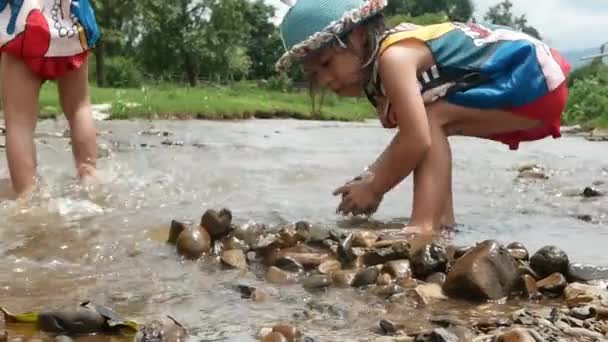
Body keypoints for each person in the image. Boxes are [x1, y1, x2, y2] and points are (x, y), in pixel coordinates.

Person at [275, 0, 571, 234]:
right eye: (315, 73)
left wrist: (374, 188)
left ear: (359, 35)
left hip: (531, 76)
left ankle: (423, 226)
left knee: (430, 119)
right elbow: (415, 139)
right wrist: (368, 178)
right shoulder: (384, 63)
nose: (325, 79)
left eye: (327, 63)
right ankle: (442, 222)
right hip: (539, 82)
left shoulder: (394, 57)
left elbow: (416, 139)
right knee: (435, 120)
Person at [1, 0, 101, 196]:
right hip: (70, 21)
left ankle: (26, 195)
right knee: (79, 107)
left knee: (19, 121)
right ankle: (89, 176)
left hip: (25, 23)